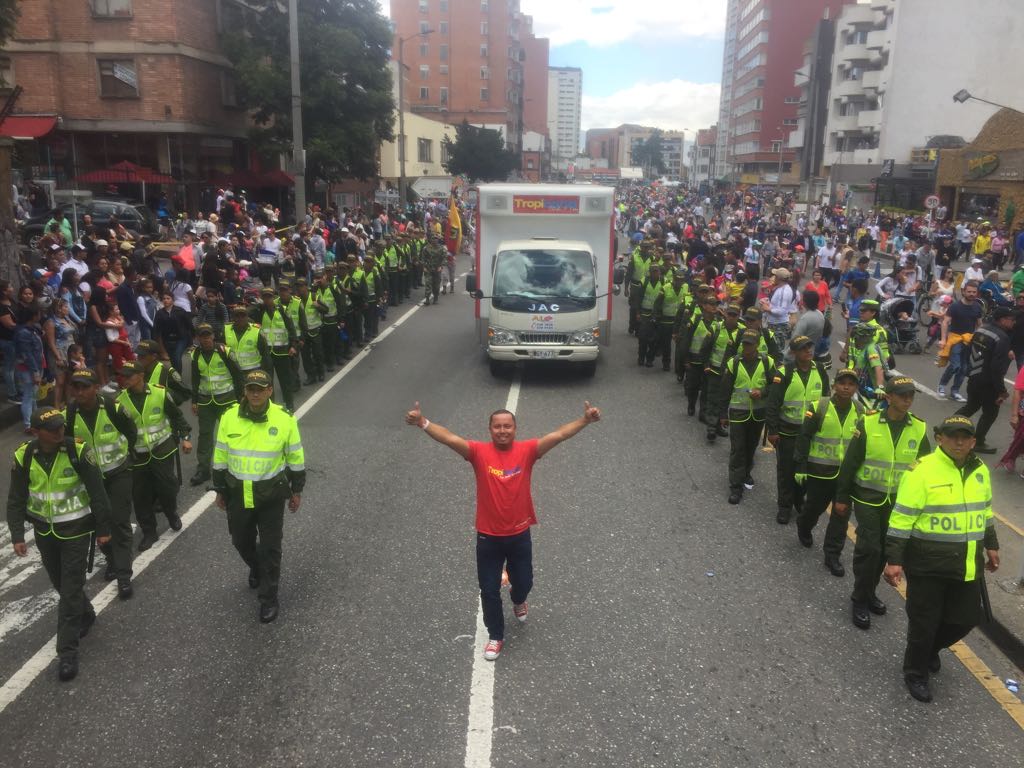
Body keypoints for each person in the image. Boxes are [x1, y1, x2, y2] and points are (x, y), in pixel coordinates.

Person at [405, 399, 601, 661]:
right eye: (497, 426)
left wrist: (585, 420)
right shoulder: (477, 452)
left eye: (507, 426)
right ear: (490, 430)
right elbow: (450, 439)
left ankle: (518, 599)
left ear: (515, 429)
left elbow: (559, 435)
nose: (502, 430)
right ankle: (496, 635)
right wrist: (422, 422)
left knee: (524, 583)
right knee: (488, 589)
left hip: (519, 535)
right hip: (488, 537)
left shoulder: (528, 450)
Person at [884, 415, 1000, 703]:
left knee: (965, 619)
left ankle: (930, 649)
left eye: (965, 437)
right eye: (952, 436)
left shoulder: (979, 470)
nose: (959, 442)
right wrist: (894, 559)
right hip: (927, 565)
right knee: (924, 622)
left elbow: (984, 510)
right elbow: (901, 518)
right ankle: (915, 671)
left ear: (973, 441)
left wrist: (992, 545)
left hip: (967, 563)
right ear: (940, 439)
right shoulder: (921, 471)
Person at [6, 407, 112, 681]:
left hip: (76, 531)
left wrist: (103, 528)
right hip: (45, 532)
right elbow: (16, 498)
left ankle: (67, 651)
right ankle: (86, 613)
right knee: (60, 583)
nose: (59, 432)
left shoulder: (77, 451)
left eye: (61, 427)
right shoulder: (24, 455)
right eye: (52, 429)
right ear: (36, 432)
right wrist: (18, 534)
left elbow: (98, 492)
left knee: (69, 590)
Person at [834, 376, 930, 630]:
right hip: (868, 497)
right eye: (902, 395)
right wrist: (842, 497)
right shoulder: (868, 423)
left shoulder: (918, 429)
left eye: (910, 395)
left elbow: (926, 469)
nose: (907, 400)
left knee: (886, 551)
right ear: (888, 397)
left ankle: (869, 591)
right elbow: (850, 463)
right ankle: (859, 599)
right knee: (870, 549)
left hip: (899, 503)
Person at [213, 370, 305, 624]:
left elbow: (295, 457)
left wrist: (296, 490)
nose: (255, 393)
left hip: (271, 494)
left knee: (270, 548)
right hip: (238, 493)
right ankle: (256, 567)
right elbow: (220, 456)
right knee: (240, 541)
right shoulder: (229, 418)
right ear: (245, 391)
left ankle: (268, 597)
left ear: (269, 391)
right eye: (250, 389)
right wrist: (219, 489)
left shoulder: (284, 419)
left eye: (260, 389)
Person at [65, 368, 137, 598]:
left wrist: (125, 456)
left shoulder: (113, 407)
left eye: (85, 386)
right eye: (76, 387)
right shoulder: (69, 413)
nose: (80, 391)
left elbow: (131, 432)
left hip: (118, 472)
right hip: (90, 480)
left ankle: (124, 576)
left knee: (119, 521)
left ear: (96, 388)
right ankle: (111, 559)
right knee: (98, 522)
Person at [793, 368, 863, 576]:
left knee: (841, 516)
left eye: (851, 384)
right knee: (813, 509)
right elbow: (804, 437)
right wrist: (801, 466)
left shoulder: (860, 411)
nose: (846, 387)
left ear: (855, 388)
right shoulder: (819, 407)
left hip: (846, 477)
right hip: (820, 472)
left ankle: (832, 555)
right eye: (842, 383)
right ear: (834, 385)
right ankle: (804, 526)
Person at [116, 361, 193, 551]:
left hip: (162, 449)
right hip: (137, 455)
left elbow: (177, 416)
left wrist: (185, 438)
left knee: (167, 488)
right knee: (141, 496)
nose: (124, 380)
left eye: (129, 376)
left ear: (141, 375)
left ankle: (172, 514)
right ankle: (149, 532)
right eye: (123, 376)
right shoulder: (120, 402)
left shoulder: (160, 393)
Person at [766, 335, 829, 524]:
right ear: (794, 353)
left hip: (811, 433)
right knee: (786, 471)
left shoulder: (819, 369)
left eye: (810, 347)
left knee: (806, 470)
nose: (809, 351)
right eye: (803, 348)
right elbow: (773, 403)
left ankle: (798, 500)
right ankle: (784, 506)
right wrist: (773, 430)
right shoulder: (784, 373)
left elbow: (826, 400)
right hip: (788, 432)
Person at [715, 329, 774, 504]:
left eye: (750, 344)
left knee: (751, 446)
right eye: (744, 344)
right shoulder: (733, 363)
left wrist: (762, 392)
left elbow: (775, 388)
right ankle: (735, 486)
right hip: (738, 413)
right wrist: (722, 414)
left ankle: (746, 472)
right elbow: (724, 391)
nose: (746, 347)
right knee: (737, 449)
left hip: (757, 414)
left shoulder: (767, 362)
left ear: (757, 345)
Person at [955, 306, 1016, 453]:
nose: (1014, 322)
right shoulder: (1002, 337)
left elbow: (969, 350)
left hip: (974, 377)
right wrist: (1002, 391)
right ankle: (979, 441)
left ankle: (948, 427)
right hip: (988, 383)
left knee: (971, 406)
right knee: (990, 413)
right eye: (1011, 319)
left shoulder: (981, 329)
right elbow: (996, 368)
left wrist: (970, 371)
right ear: (1002, 320)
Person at [189, 324, 242, 486]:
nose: (205, 339)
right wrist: (194, 401)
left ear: (213, 336)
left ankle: (235, 465)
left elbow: (238, 374)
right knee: (205, 435)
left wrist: (241, 399)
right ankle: (203, 470)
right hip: (205, 401)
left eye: (208, 335)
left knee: (231, 434)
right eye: (202, 336)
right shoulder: (194, 354)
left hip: (227, 400)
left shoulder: (224, 351)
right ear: (198, 338)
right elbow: (195, 379)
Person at [254, 286, 298, 411]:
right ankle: (270, 407)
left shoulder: (283, 310)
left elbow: (291, 329)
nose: (267, 300)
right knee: (267, 382)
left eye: (269, 297)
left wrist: (293, 346)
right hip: (266, 353)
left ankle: (289, 405)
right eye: (265, 297)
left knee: (285, 380)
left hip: (282, 351)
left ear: (274, 298)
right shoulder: (259, 311)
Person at [936, 281, 983, 401]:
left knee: (964, 368)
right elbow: (945, 322)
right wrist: (943, 339)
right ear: (963, 291)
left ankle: (955, 391)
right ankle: (941, 385)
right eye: (969, 292)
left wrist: (979, 339)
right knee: (955, 365)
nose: (971, 294)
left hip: (969, 340)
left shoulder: (977, 307)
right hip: (955, 339)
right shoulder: (955, 306)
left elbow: (979, 324)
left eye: (974, 292)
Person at [420, 233, 447, 306]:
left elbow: (444, 258)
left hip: (437, 269)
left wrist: (441, 266)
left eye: (436, 239)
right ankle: (427, 299)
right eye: (433, 239)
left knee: (436, 285)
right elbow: (422, 258)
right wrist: (424, 267)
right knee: (428, 283)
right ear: (431, 240)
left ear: (438, 240)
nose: (434, 240)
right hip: (428, 269)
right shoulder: (426, 248)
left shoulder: (441, 248)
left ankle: (435, 298)